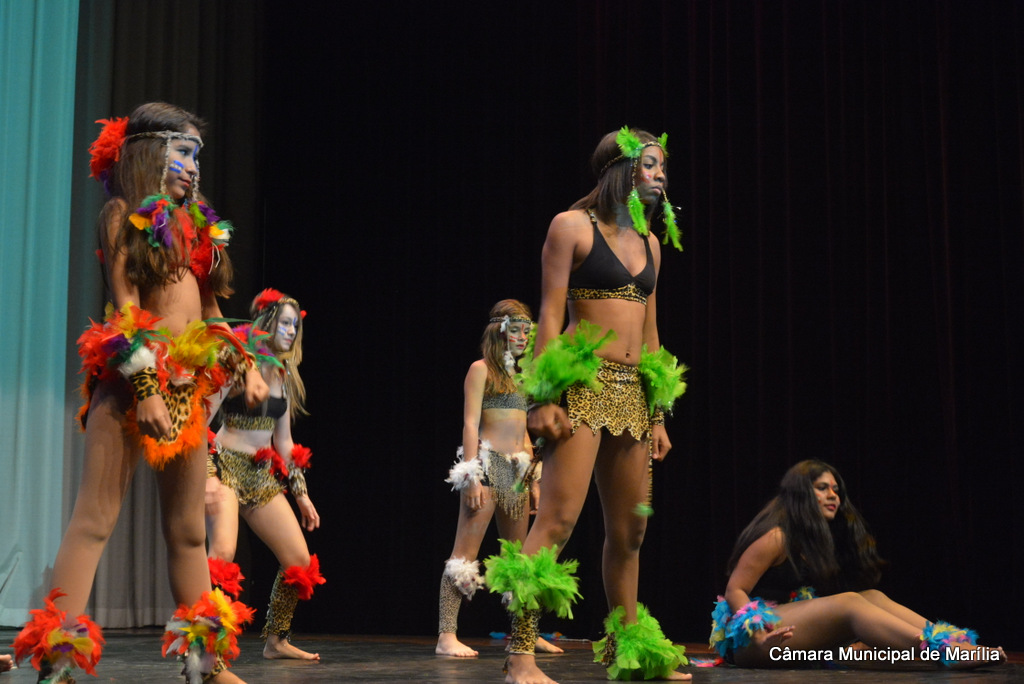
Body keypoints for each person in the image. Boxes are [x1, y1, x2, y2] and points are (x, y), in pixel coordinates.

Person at [13, 103, 265, 684]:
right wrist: (147, 388)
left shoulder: (196, 227)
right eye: (184, 153)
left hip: (188, 392)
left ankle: (204, 666)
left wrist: (245, 363)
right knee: (94, 519)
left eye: (198, 156)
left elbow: (210, 313)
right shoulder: (121, 215)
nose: (194, 166)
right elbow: (125, 311)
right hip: (133, 385)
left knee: (188, 531)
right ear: (152, 153)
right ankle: (58, 662)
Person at [484, 128, 689, 684]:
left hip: (633, 394)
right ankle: (520, 655)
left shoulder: (650, 244)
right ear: (621, 168)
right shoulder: (572, 227)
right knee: (556, 521)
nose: (661, 175)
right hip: (583, 388)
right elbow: (550, 317)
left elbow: (651, 333)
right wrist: (541, 398)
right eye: (651, 164)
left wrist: (657, 413)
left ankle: (629, 652)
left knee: (630, 534)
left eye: (663, 167)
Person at [709, 459, 1006, 669]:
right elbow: (735, 589)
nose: (833, 496)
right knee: (850, 602)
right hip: (752, 644)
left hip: (784, 635)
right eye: (822, 488)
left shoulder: (808, 540)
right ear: (801, 494)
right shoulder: (776, 536)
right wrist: (759, 634)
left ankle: (957, 643)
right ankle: (947, 651)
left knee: (872, 596)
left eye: (836, 490)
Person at [436, 300, 562, 658]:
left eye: (527, 332)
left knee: (519, 557)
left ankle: (524, 633)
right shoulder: (481, 370)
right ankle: (446, 635)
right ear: (500, 331)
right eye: (516, 330)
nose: (523, 337)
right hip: (488, 465)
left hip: (515, 471)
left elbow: (524, 434)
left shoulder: (523, 377)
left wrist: (533, 481)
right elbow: (470, 424)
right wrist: (471, 476)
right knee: (464, 555)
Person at [205, 289, 324, 662]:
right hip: (225, 466)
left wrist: (301, 494)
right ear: (267, 323)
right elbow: (201, 419)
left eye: (295, 325)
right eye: (285, 323)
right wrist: (208, 474)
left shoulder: (283, 375)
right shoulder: (240, 364)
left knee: (299, 562)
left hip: (259, 474)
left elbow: (284, 443)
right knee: (223, 553)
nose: (290, 331)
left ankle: (276, 640)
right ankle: (209, 644)